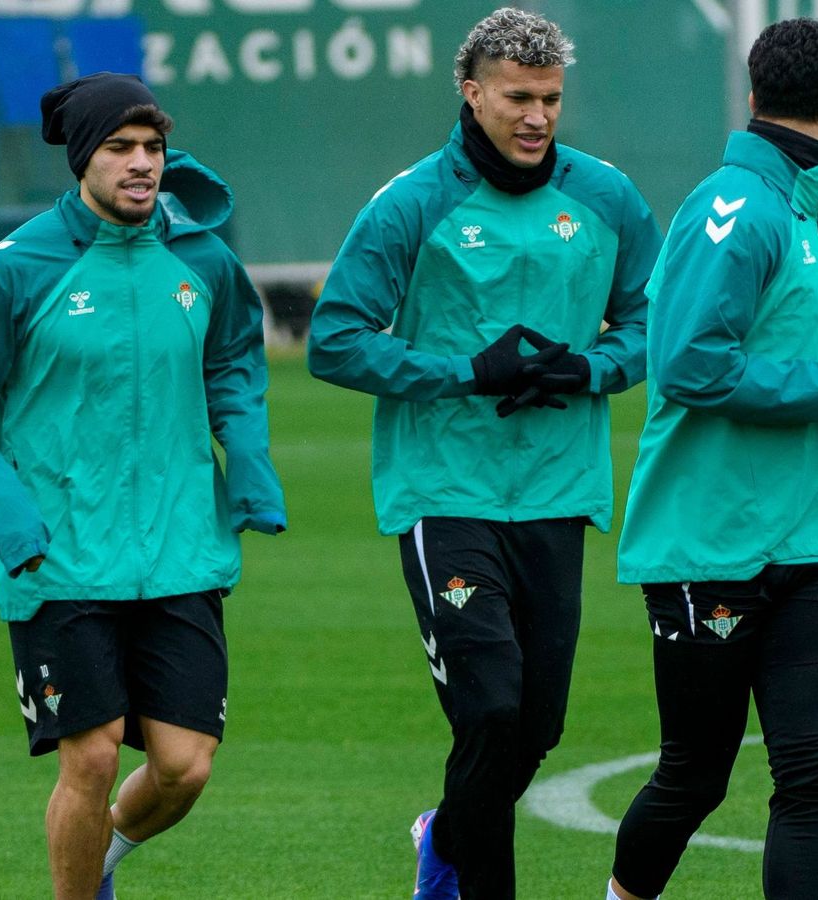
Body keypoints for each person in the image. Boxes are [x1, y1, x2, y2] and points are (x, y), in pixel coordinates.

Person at [306, 7, 659, 897]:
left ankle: (445, 832)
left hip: (558, 489)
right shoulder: (413, 202)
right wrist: (466, 370)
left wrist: (591, 366)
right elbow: (335, 339)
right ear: (470, 92)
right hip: (446, 491)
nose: (537, 116)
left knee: (535, 725)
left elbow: (657, 322)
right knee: (491, 708)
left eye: (550, 98)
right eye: (517, 98)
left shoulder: (608, 197)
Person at [0, 73, 286, 900]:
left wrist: (248, 468)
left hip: (180, 546)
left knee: (185, 768)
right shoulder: (17, 269)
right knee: (89, 753)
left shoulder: (203, 259)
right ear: (83, 158)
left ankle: (101, 864)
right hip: (60, 555)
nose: (142, 164)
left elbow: (234, 359)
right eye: (120, 148)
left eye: (153, 147)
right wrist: (14, 523)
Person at [607, 18, 818, 900]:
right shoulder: (739, 206)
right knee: (694, 775)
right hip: (711, 544)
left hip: (808, 545)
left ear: (756, 97)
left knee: (810, 776)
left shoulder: (792, 205)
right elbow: (691, 366)